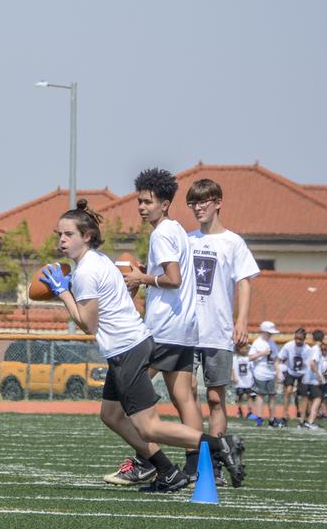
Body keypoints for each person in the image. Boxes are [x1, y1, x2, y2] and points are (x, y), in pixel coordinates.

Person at [42, 200, 246, 492]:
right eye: (58, 234)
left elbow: (88, 324)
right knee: (111, 415)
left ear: (86, 236)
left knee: (149, 426)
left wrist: (62, 294)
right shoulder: (98, 261)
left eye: (68, 234)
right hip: (130, 346)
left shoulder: (86, 271)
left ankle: (221, 444)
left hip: (127, 350)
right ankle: (168, 471)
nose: (61, 240)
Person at [104, 168, 204, 487]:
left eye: (148, 202)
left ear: (165, 203)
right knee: (183, 398)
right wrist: (149, 272)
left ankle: (148, 460)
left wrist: (141, 278)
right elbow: (173, 274)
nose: (142, 207)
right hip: (184, 326)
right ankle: (198, 465)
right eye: (139, 201)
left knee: (121, 402)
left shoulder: (162, 233)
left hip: (162, 328)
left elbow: (173, 280)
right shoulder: (176, 230)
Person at [185, 179, 259, 446]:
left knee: (215, 398)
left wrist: (241, 320)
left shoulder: (233, 242)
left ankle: (217, 457)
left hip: (218, 331)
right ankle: (195, 457)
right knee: (188, 392)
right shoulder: (187, 240)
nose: (197, 207)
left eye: (203, 201)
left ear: (218, 203)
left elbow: (245, 281)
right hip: (188, 331)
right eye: (192, 202)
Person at [249, 321, 281, 426]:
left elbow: (276, 359)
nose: (271, 334)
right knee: (260, 396)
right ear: (264, 331)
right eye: (269, 332)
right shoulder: (257, 342)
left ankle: (272, 418)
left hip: (270, 373)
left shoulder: (272, 343)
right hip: (260, 373)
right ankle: (259, 418)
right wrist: (262, 353)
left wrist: (278, 373)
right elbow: (250, 357)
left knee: (272, 396)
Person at [278, 328, 311, 426]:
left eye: (300, 339)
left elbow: (310, 364)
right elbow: (279, 359)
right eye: (296, 338)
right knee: (288, 391)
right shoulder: (288, 345)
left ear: (304, 339)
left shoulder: (308, 349)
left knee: (304, 396)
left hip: (303, 373)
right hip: (290, 372)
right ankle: (284, 416)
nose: (297, 341)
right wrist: (278, 372)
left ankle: (302, 419)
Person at [299, 330, 325, 429]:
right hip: (312, 380)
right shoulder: (316, 349)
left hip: (306, 378)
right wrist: (318, 375)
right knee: (318, 399)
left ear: (313, 338)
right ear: (322, 339)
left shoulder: (311, 348)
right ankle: (310, 421)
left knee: (309, 399)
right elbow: (312, 363)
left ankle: (303, 422)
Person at [232, 343, 256, 420]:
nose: (247, 350)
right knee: (239, 397)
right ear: (239, 349)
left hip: (248, 381)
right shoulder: (235, 358)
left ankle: (250, 412)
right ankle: (239, 410)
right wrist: (234, 377)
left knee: (250, 397)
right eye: (245, 348)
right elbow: (232, 369)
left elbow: (251, 368)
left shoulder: (248, 358)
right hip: (239, 382)